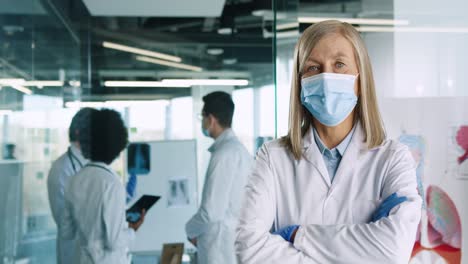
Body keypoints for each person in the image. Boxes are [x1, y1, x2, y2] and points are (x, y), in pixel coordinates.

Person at [235, 20, 422, 263]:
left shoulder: (393, 158)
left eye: (339, 64)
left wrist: (297, 235)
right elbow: (248, 250)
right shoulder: (272, 157)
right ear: (300, 82)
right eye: (313, 68)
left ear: (360, 78)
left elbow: (394, 250)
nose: (326, 77)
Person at [61, 109, 145, 264]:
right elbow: (113, 242)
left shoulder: (73, 180)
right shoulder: (112, 184)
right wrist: (133, 230)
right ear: (117, 144)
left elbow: (66, 232)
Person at [185, 91, 252, 264]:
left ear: (211, 119)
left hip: (220, 248)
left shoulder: (224, 154)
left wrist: (189, 230)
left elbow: (210, 212)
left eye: (202, 117)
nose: (202, 122)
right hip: (231, 245)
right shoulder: (239, 151)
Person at [47, 107, 97, 264]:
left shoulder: (89, 163)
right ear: (78, 132)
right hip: (74, 254)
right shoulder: (62, 168)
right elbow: (65, 221)